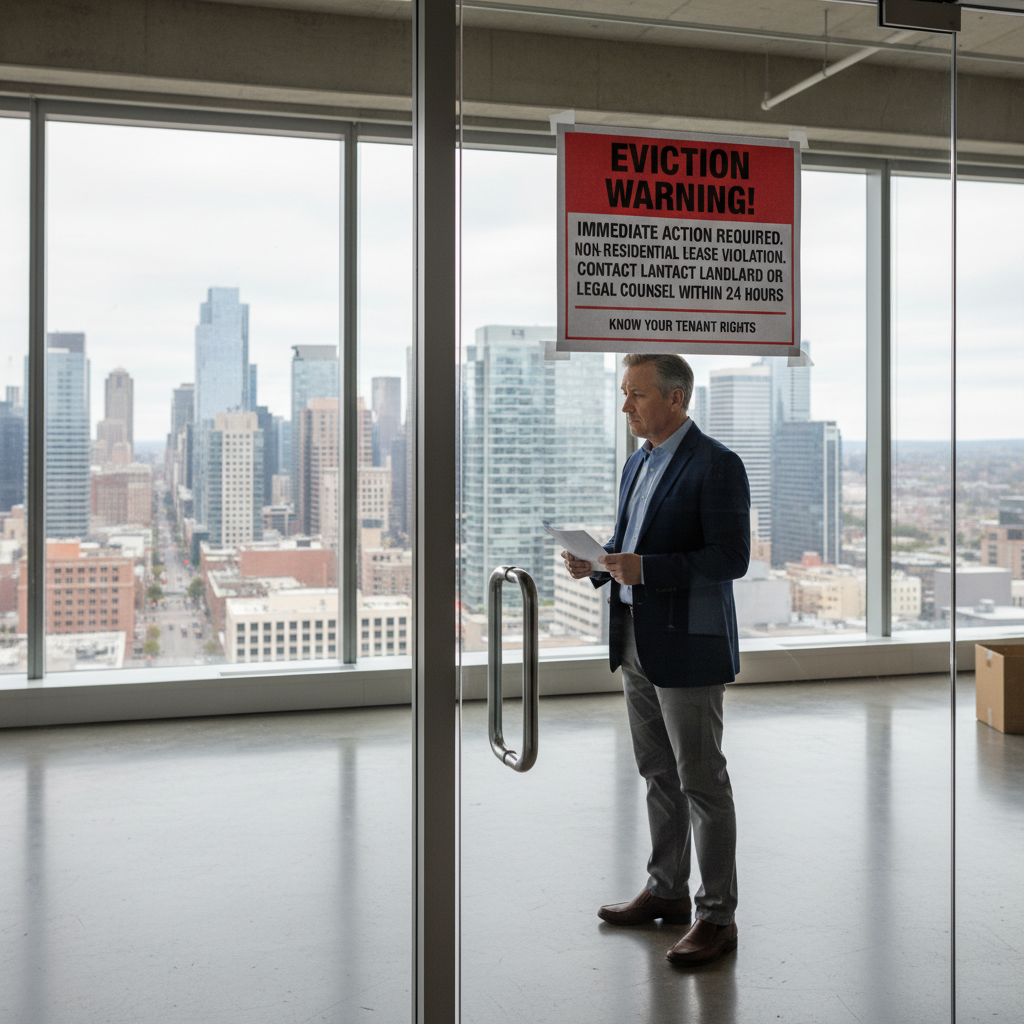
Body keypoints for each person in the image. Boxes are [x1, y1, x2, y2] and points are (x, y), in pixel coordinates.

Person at [561, 353, 750, 966]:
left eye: (636, 396)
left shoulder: (718, 466)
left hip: (689, 644)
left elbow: (731, 558)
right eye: (624, 394)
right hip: (636, 637)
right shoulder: (638, 463)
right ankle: (666, 892)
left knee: (701, 780)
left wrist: (649, 570)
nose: (625, 407)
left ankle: (717, 918)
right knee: (657, 773)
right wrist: (599, 560)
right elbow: (633, 545)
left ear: (676, 399)